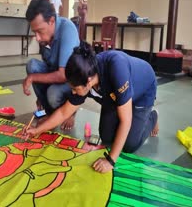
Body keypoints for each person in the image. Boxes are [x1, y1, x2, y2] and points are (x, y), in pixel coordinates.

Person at [23, 41, 159, 173]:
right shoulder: (84, 74)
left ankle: (152, 117)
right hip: (116, 98)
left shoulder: (117, 68)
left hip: (142, 91)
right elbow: (64, 112)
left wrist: (110, 161)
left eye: (75, 89)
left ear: (88, 82)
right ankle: (131, 118)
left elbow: (126, 119)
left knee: (129, 145)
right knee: (106, 137)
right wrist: (37, 130)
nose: (73, 92)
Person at [23, 0, 80, 130]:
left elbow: (63, 75)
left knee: (53, 93)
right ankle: (50, 113)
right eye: (34, 32)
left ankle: (70, 111)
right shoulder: (46, 36)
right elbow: (48, 65)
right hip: (55, 73)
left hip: (71, 81)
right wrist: (40, 96)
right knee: (32, 65)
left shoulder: (67, 29)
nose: (37, 38)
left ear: (52, 21)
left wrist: (32, 78)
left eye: (40, 31)